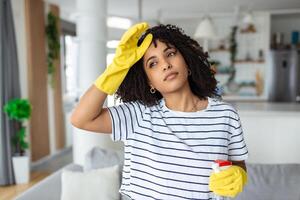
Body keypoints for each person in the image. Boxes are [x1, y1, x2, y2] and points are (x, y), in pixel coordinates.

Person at [71, 22, 248, 200]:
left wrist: (239, 174)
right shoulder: (138, 115)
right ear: (150, 82)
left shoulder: (226, 115)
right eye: (153, 63)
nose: (165, 65)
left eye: (170, 54)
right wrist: (115, 70)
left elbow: (237, 164)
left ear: (186, 62)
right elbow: (81, 119)